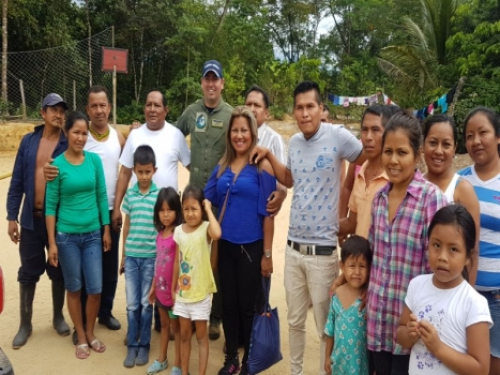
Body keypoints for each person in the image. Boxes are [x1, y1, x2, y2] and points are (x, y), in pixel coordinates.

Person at [251, 81, 363, 375]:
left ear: (320, 108)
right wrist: (269, 157)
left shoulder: (338, 136)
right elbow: (289, 179)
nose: (304, 113)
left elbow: (365, 158)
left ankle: (330, 371)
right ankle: (296, 372)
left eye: (310, 106)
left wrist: (356, 203)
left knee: (325, 326)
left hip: (323, 252)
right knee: (294, 321)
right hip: (293, 250)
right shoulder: (295, 143)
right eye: (299, 108)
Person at [367, 113, 447, 375]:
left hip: (412, 330)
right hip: (378, 323)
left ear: (417, 154)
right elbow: (374, 256)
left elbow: (437, 267)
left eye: (402, 152)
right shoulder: (378, 199)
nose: (393, 160)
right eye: (388, 151)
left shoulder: (430, 199)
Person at [43, 86, 126, 337]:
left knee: (107, 272)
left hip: (108, 212)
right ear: (88, 109)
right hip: (75, 222)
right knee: (77, 279)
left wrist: (117, 210)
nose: (99, 110)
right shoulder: (78, 136)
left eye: (103, 105)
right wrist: (48, 168)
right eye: (94, 105)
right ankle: (81, 326)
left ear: (109, 108)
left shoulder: (118, 137)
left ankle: (104, 313)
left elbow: (130, 164)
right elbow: (57, 161)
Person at [205, 106, 277, 375]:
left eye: (243, 130)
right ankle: (231, 358)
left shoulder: (262, 165)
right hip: (226, 246)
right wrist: (201, 206)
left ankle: (248, 361)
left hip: (251, 246)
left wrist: (267, 255)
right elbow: (207, 195)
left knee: (249, 307)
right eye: (234, 130)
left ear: (252, 133)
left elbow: (269, 214)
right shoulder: (222, 165)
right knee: (230, 305)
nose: (239, 135)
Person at [6, 93, 71, 349]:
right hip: (31, 221)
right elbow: (17, 182)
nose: (58, 114)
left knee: (59, 270)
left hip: (58, 221)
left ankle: (57, 317)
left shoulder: (68, 144)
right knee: (28, 272)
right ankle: (25, 324)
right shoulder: (29, 142)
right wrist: (12, 217)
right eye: (53, 109)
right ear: (42, 113)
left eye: (61, 110)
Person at [45, 111, 110, 359]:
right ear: (66, 133)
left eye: (84, 133)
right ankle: (81, 336)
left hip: (93, 234)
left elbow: (101, 196)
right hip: (67, 237)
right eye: (76, 132)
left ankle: (91, 332)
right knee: (74, 288)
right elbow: (51, 207)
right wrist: (52, 243)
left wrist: (105, 228)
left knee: (95, 288)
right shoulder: (56, 166)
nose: (81, 138)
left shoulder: (94, 161)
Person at [397, 205, 492, 375]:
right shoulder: (417, 286)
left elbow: (481, 369)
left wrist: (438, 347)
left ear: (468, 257)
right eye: (436, 245)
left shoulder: (474, 304)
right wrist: (409, 335)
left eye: (453, 249)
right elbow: (401, 334)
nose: (442, 256)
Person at [175, 60, 232, 340]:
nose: (211, 84)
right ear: (202, 83)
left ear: (222, 83)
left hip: (220, 202)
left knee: (215, 258)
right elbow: (172, 137)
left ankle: (215, 317)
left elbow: (241, 146)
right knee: (191, 255)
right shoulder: (191, 112)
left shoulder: (231, 115)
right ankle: (189, 308)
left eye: (215, 79)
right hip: (194, 201)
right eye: (207, 79)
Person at [457, 107, 500, 374]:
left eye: (483, 132)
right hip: (462, 295)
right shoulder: (459, 181)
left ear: (498, 137)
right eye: (470, 135)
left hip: (497, 300)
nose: (476, 141)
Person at [112, 89, 190, 231]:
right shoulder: (134, 136)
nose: (152, 109)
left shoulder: (176, 135)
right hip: (140, 216)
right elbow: (124, 173)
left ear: (166, 110)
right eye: (149, 105)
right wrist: (116, 207)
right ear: (144, 109)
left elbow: (192, 167)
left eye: (157, 105)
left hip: (168, 217)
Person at [422, 114, 480, 285]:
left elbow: (473, 249)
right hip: (415, 288)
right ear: (423, 145)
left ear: (454, 148)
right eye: (433, 142)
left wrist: (466, 298)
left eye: (446, 144)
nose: (439, 151)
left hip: (450, 289)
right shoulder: (414, 186)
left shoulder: (462, 190)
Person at [172, 184, 222, 375]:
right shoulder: (178, 231)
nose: (190, 214)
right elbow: (177, 262)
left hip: (200, 294)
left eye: (195, 209)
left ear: (201, 209)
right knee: (185, 336)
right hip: (183, 294)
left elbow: (218, 234)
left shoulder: (206, 228)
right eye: (186, 209)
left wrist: (209, 209)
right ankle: (184, 371)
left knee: (201, 337)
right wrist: (172, 290)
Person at [121, 145, 159, 368]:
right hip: (132, 257)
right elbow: (127, 225)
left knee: (146, 304)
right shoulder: (130, 195)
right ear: (134, 170)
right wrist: (123, 255)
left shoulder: (158, 195)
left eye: (148, 171)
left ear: (154, 170)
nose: (144, 176)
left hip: (151, 259)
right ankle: (132, 345)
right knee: (131, 304)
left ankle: (144, 344)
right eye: (140, 172)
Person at [337, 104, 391, 240]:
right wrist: (317, 229)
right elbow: (352, 223)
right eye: (364, 130)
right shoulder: (361, 173)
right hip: (361, 259)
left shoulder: (394, 179)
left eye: (375, 130)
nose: (368, 137)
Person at [324, 235, 372, 375]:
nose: (357, 272)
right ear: (342, 266)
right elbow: (330, 331)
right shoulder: (336, 295)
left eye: (362, 266)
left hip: (361, 366)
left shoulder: (367, 299)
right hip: (338, 364)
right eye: (352, 266)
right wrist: (327, 357)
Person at [147, 188, 182, 375]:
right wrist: (153, 286)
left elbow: (179, 264)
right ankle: (162, 359)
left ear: (177, 211)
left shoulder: (178, 234)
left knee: (176, 328)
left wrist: (176, 290)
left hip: (174, 294)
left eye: (170, 210)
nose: (166, 214)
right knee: (163, 325)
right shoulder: (160, 234)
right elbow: (158, 263)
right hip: (160, 291)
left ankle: (177, 364)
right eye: (162, 210)